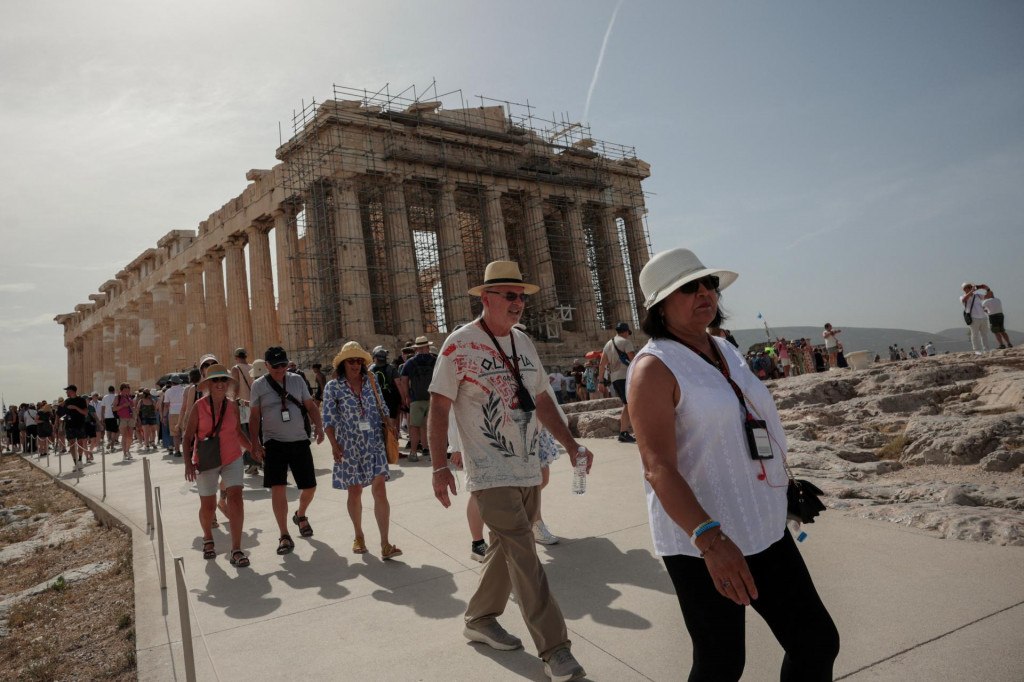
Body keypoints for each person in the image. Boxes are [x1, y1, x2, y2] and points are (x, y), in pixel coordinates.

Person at [627, 247, 839, 681]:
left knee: (815, 641)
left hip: (763, 523)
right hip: (703, 541)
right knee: (722, 663)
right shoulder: (654, 368)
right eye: (689, 287)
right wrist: (711, 542)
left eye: (710, 284)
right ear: (659, 306)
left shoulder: (724, 347)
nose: (705, 292)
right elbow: (658, 467)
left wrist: (782, 488)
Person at [428, 260, 594, 682]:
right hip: (489, 471)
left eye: (521, 296)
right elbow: (438, 406)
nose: (519, 303)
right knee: (523, 550)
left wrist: (571, 444)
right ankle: (555, 649)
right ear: (485, 298)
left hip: (526, 467)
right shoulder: (458, 344)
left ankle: (479, 619)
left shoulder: (523, 342)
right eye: (509, 295)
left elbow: (541, 400)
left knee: (505, 549)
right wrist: (438, 465)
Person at [322, 342, 401, 559]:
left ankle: (385, 543)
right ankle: (359, 535)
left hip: (374, 441)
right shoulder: (333, 387)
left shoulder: (371, 381)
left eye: (359, 361)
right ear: (343, 364)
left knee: (380, 490)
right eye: (351, 361)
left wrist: (391, 427)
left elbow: (383, 407)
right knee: (355, 492)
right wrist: (333, 444)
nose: (356, 365)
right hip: (349, 444)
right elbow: (327, 418)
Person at [249, 346, 325, 557]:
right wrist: (255, 443)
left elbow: (310, 406)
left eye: (284, 364)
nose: (281, 369)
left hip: (299, 440)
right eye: (276, 366)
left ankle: (300, 515)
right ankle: (284, 534)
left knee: (309, 487)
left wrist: (319, 427)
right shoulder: (259, 386)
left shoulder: (297, 380)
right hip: (273, 442)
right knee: (278, 488)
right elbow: (254, 417)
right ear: (266, 366)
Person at [181, 364, 253, 568]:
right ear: (208, 385)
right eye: (215, 381)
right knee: (209, 505)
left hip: (231, 457)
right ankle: (207, 537)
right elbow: (187, 438)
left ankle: (237, 549)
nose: (220, 384)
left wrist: (254, 449)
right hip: (207, 460)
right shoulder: (199, 406)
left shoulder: (232, 406)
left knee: (236, 498)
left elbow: (238, 432)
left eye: (223, 380)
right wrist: (188, 464)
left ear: (228, 383)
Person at [598, 321, 637, 443]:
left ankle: (624, 432)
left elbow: (602, 364)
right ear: (626, 332)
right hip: (626, 376)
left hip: (614, 378)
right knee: (631, 403)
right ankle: (627, 431)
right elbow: (634, 360)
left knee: (627, 404)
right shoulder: (626, 342)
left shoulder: (608, 344)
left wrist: (601, 381)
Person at [399, 335, 436, 462]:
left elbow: (404, 380)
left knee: (414, 426)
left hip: (416, 398)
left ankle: (414, 453)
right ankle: (433, 453)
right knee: (433, 427)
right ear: (428, 347)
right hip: (432, 398)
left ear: (417, 349)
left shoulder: (410, 362)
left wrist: (406, 396)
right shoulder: (435, 360)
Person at [369, 346, 401, 440]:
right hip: (391, 398)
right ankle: (393, 449)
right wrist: (403, 397)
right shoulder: (391, 368)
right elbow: (398, 383)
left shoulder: (370, 370)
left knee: (379, 424)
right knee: (392, 423)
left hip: (375, 399)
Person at [63, 385, 91, 470]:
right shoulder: (66, 401)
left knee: (80, 443)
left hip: (79, 424)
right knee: (71, 444)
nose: (66, 392)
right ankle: (75, 463)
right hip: (69, 425)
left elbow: (85, 413)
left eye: (67, 390)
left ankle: (80, 460)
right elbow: (66, 413)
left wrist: (75, 407)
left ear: (72, 391)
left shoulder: (81, 400)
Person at [960, 283, 991, 354]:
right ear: (964, 289)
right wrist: (972, 291)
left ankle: (986, 349)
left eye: (971, 287)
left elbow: (989, 296)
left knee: (984, 334)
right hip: (974, 318)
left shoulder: (978, 296)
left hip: (983, 317)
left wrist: (987, 289)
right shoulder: (962, 297)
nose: (970, 288)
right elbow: (963, 300)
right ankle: (976, 350)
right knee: (975, 334)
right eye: (968, 287)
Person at [161, 376, 186, 456]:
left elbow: (166, 405)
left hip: (173, 413)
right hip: (183, 412)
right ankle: (186, 450)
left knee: (175, 434)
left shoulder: (168, 391)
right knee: (184, 432)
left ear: (171, 382)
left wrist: (164, 416)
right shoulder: (184, 389)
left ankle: (177, 451)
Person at [113, 383, 135, 461]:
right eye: (125, 390)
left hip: (131, 418)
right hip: (122, 418)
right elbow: (114, 409)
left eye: (128, 389)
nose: (127, 391)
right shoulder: (117, 397)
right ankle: (125, 453)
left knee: (130, 436)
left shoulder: (129, 397)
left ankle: (128, 450)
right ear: (121, 390)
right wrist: (123, 406)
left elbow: (132, 407)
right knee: (125, 435)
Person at [101, 385, 119, 452]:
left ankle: (109, 441)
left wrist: (102, 417)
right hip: (115, 416)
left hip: (107, 416)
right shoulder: (116, 396)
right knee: (114, 431)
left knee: (108, 430)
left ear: (108, 391)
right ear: (114, 390)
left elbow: (103, 408)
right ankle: (112, 446)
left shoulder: (105, 397)